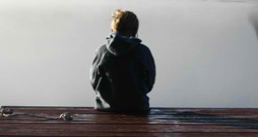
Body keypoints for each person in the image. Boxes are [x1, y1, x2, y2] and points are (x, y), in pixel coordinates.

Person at [90, 9, 156, 113]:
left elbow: (94, 81)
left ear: (113, 29)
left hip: (106, 108)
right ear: (135, 30)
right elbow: (149, 82)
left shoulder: (101, 51)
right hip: (138, 107)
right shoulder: (144, 51)